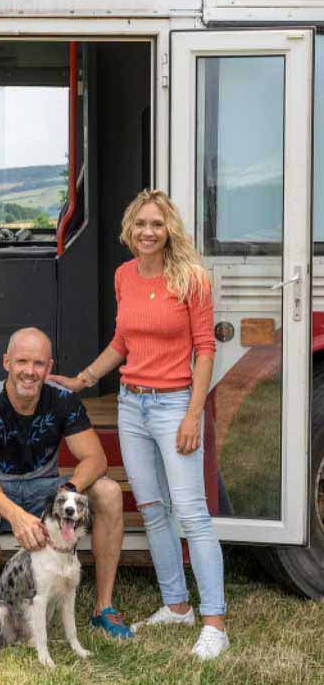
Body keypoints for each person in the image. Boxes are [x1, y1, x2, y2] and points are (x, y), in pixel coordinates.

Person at [49, 190, 229, 661]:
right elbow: (123, 340)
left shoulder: (192, 279)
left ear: (170, 229)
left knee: (191, 513)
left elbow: (206, 349)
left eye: (157, 224)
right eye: (140, 224)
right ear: (130, 230)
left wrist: (193, 413)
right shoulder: (124, 276)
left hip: (174, 406)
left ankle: (215, 622)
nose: (148, 232)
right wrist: (84, 378)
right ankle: (176, 605)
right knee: (152, 509)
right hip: (133, 405)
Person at [0, 327, 133, 641]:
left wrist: (68, 490)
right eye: (21, 361)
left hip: (48, 487)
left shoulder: (63, 401)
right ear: (6, 363)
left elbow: (95, 459)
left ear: (49, 367)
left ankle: (103, 608)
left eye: (38, 363)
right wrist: (16, 515)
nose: (29, 371)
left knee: (108, 491)